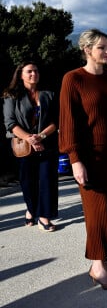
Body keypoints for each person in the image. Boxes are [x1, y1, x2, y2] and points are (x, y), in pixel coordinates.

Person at [59, 29, 107, 290]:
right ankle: (98, 266)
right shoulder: (73, 79)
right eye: (102, 47)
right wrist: (75, 159)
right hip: (89, 157)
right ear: (87, 50)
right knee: (97, 209)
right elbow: (68, 124)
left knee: (103, 207)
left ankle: (100, 258)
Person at [3, 62, 59, 231]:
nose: (33, 74)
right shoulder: (11, 95)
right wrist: (30, 139)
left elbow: (56, 121)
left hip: (47, 144)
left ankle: (44, 217)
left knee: (47, 181)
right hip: (23, 146)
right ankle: (31, 209)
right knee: (29, 182)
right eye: (29, 71)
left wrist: (41, 136)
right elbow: (10, 123)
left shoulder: (48, 94)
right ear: (21, 75)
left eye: (35, 71)